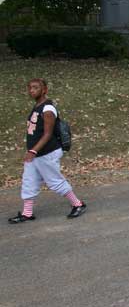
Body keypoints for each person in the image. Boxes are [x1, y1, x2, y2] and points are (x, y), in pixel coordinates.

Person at [8, 78, 87, 224]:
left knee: (54, 181)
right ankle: (27, 213)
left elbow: (47, 134)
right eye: (30, 87)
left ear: (45, 90)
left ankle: (78, 204)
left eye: (36, 87)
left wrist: (33, 151)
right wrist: (32, 152)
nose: (32, 90)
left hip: (47, 152)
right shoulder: (38, 106)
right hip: (36, 153)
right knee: (29, 182)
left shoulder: (47, 109)